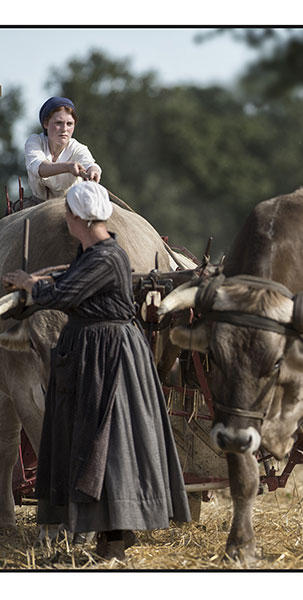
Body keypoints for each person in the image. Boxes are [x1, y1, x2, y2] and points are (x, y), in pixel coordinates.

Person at [2, 181, 190, 560]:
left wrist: (29, 284)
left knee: (104, 445)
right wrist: (43, 283)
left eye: (69, 214)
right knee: (99, 445)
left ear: (78, 218)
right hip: (92, 352)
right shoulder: (91, 254)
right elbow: (70, 282)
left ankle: (107, 541)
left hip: (109, 355)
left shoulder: (107, 257)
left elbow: (64, 294)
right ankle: (109, 540)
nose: (66, 219)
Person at [24, 96, 102, 204]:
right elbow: (39, 168)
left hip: (71, 205)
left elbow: (89, 164)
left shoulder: (77, 148)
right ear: (46, 123)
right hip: (37, 205)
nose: (64, 129)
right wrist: (68, 167)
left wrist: (93, 171)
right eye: (58, 123)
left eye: (69, 124)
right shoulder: (35, 141)